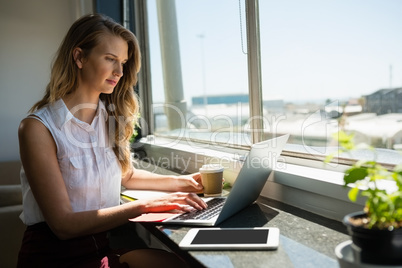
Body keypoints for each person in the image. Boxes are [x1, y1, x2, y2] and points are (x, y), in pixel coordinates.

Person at [17, 13, 207, 268]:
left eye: (124, 62)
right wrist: (145, 206)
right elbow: (63, 225)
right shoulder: (37, 128)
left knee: (183, 264)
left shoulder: (110, 118)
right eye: (110, 59)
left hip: (99, 248)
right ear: (79, 57)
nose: (119, 71)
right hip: (53, 257)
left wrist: (183, 183)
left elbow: (125, 176)